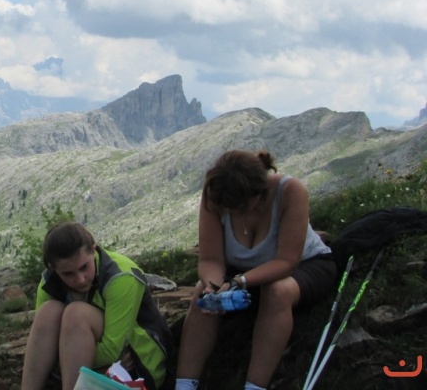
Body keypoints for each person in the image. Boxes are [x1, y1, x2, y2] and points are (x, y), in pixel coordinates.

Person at [175, 149, 336, 390]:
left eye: (239, 207)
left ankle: (254, 386)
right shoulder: (215, 195)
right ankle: (184, 385)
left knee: (277, 292)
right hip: (244, 274)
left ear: (258, 193)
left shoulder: (291, 191)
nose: (233, 211)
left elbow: (286, 262)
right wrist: (213, 286)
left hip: (305, 266)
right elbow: (210, 259)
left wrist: (239, 281)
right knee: (203, 293)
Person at [21, 221, 173, 390]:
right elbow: (42, 339)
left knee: (76, 314)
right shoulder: (49, 281)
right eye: (68, 274)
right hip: (88, 363)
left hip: (137, 366)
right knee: (48, 312)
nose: (80, 279)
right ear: (53, 268)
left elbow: (112, 350)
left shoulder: (121, 277)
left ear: (93, 250)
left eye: (84, 267)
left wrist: (61, 359)